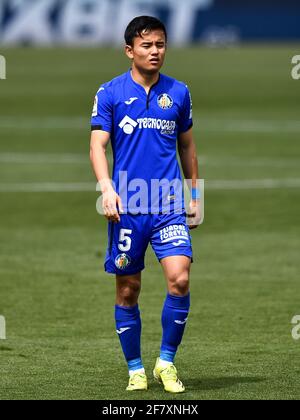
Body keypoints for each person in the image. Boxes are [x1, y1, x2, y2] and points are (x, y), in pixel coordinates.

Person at [90, 15, 201, 393]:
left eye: (160, 45)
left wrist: (196, 194)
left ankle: (165, 363)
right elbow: (97, 145)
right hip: (128, 205)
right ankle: (135, 368)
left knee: (180, 279)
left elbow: (187, 145)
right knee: (127, 289)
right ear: (129, 50)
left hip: (169, 203)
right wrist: (106, 189)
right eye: (147, 46)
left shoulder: (179, 92)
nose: (155, 52)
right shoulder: (110, 92)